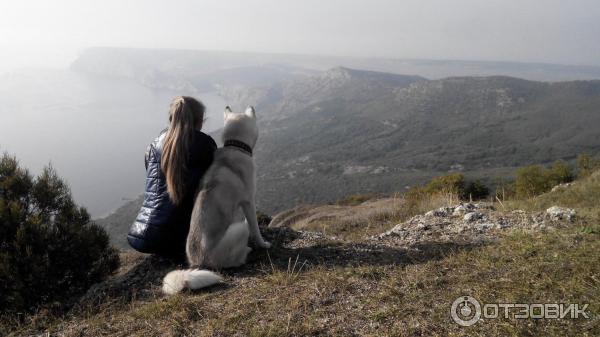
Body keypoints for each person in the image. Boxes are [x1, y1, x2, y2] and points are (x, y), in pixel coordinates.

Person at [128, 96, 217, 260]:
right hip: (180, 239)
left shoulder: (153, 146)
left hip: (142, 236)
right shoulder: (204, 145)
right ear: (199, 121)